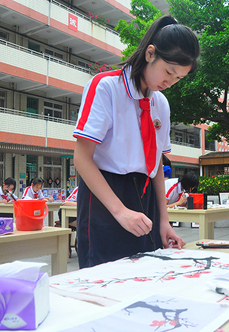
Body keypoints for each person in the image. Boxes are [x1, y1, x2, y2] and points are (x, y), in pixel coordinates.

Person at [73, 15, 199, 267]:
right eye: (168, 72)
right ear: (150, 53)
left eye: (178, 78)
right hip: (106, 194)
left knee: (147, 275)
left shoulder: (160, 103)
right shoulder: (106, 87)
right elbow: (82, 158)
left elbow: (156, 166)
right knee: (103, 280)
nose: (170, 82)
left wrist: (164, 221)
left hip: (146, 195)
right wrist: (120, 211)